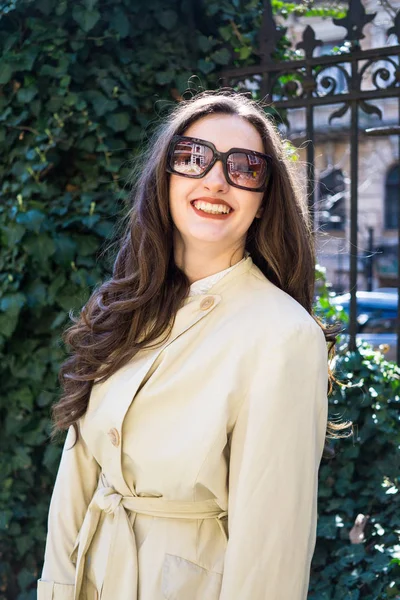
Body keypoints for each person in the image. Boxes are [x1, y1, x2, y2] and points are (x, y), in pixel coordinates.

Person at [37, 90, 339, 600]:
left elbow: (271, 552)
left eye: (245, 168)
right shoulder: (127, 306)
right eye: (193, 157)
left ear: (264, 199)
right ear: (166, 177)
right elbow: (78, 475)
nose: (216, 179)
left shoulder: (282, 336)